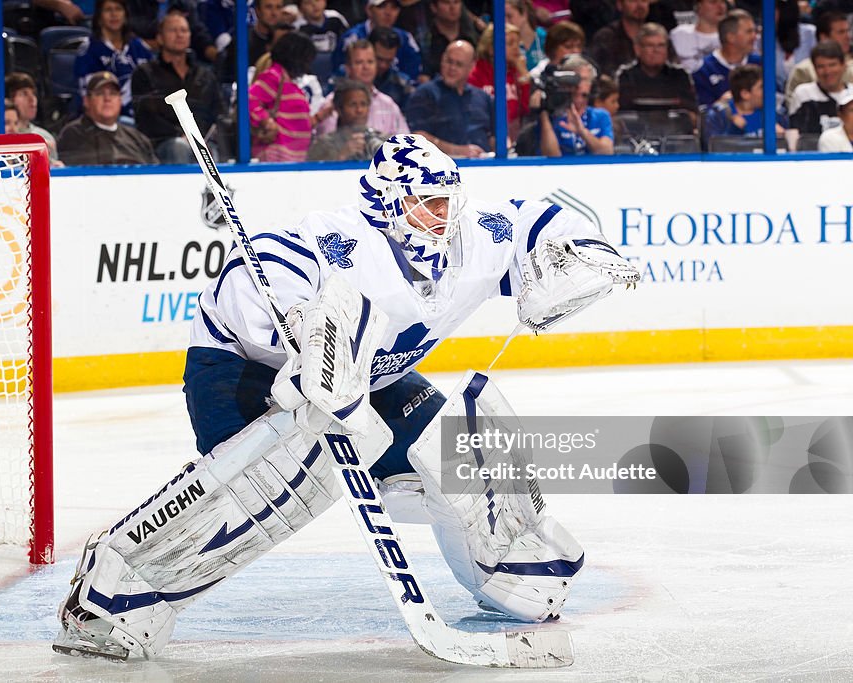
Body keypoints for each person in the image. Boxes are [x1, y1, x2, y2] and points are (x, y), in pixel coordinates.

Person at [52, 133, 639, 661]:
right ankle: (114, 593)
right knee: (272, 490)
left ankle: (503, 567)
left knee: (460, 447)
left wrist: (584, 250)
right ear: (390, 204)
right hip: (244, 375)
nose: (447, 217)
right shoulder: (341, 243)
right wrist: (304, 326)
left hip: (374, 382)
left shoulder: (472, 240)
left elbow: (543, 217)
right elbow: (248, 275)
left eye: (449, 200)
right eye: (430, 204)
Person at [131, 11, 223, 163]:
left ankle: (218, 187)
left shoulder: (205, 75)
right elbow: (147, 118)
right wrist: (183, 135)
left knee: (214, 149)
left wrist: (199, 137)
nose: (179, 35)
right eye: (173, 30)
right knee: (179, 146)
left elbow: (218, 112)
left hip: (203, 141)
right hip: (164, 143)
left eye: (184, 30)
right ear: (160, 38)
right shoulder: (145, 73)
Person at [405, 40, 494, 157]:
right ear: (442, 59)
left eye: (459, 64)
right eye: (449, 61)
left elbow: (495, 136)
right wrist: (457, 151)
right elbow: (417, 137)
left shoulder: (483, 98)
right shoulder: (425, 94)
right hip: (441, 166)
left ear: (471, 67)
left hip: (485, 165)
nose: (452, 68)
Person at [312, 39, 409, 137]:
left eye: (370, 62)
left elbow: (405, 143)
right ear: (348, 68)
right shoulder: (332, 104)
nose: (366, 67)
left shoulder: (388, 104)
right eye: (359, 62)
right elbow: (326, 146)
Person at [58, 71, 159, 165]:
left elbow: (157, 174)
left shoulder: (137, 138)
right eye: (100, 93)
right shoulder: (73, 134)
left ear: (120, 100)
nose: (107, 99)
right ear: (86, 101)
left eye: (113, 94)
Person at [74, 0, 154, 118]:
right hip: (106, 115)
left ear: (126, 15)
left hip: (143, 116)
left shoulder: (140, 47)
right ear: (99, 17)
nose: (114, 14)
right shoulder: (89, 49)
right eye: (108, 10)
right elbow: (89, 92)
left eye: (118, 9)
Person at [249, 32, 317, 162]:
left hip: (295, 157)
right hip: (274, 156)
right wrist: (267, 123)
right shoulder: (273, 76)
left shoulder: (287, 81)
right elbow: (249, 101)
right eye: (307, 59)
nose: (308, 66)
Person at [468, 22, 532, 142]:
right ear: (491, 49)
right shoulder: (476, 74)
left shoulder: (517, 72)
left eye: (518, 44)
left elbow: (526, 109)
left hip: (516, 136)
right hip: (485, 136)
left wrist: (524, 76)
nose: (516, 48)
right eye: (510, 44)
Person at [539, 54, 614, 156]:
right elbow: (551, 157)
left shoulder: (601, 116)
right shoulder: (551, 118)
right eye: (573, 79)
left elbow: (607, 152)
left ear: (591, 84)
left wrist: (581, 131)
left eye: (583, 79)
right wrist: (544, 112)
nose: (578, 85)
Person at [616, 23, 698, 115]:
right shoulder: (626, 76)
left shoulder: (680, 75)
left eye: (661, 45)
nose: (656, 50)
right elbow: (622, 113)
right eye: (650, 45)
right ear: (637, 49)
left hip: (673, 128)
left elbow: (692, 113)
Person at [785, 11, 853, 113]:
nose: (848, 37)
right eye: (841, 32)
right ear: (824, 37)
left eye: (847, 31)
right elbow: (794, 108)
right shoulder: (803, 70)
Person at [337, 0, 422, 80]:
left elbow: (413, 75)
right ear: (369, 10)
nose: (388, 13)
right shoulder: (353, 38)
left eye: (394, 8)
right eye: (382, 6)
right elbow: (340, 73)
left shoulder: (406, 38)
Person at [692, 9, 760, 109]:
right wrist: (721, 105)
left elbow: (777, 100)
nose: (755, 37)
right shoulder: (704, 70)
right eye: (749, 32)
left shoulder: (761, 64)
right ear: (731, 37)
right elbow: (702, 113)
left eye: (755, 31)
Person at [308, 78, 389, 159]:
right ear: (339, 109)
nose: (359, 110)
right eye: (353, 105)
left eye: (363, 104)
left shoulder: (385, 141)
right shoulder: (323, 146)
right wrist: (341, 156)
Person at [789, 40, 853, 137]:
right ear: (814, 68)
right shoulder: (803, 93)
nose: (827, 72)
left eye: (832, 65)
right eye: (821, 66)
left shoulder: (851, 94)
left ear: (843, 65)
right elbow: (796, 135)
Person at [703, 64, 786, 139]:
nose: (768, 91)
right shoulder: (718, 115)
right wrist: (734, 130)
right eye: (762, 87)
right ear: (745, 94)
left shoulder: (775, 114)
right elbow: (712, 148)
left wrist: (782, 139)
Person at [590, 0, 665, 78]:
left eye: (643, 1)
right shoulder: (606, 37)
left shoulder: (658, 36)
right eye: (633, 1)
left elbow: (672, 65)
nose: (640, 5)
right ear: (620, 5)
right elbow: (602, 75)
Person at [5, 73, 60, 163]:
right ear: (8, 100)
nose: (32, 99)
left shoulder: (44, 136)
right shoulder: (1, 133)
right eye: (24, 94)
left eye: (34, 94)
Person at [420, 0, 480, 78]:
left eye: (456, 2)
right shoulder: (425, 40)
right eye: (446, 2)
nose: (452, 7)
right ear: (434, 7)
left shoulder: (473, 37)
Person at [670, 0, 728, 73]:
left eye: (723, 2)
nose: (721, 6)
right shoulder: (679, 34)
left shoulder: (732, 37)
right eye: (713, 2)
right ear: (699, 6)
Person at [369, 26, 416, 109]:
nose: (383, 65)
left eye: (389, 61)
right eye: (379, 59)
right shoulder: (347, 78)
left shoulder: (403, 84)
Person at [508, 0, 547, 71]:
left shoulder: (546, 38)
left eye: (509, 16)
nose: (505, 22)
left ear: (524, 14)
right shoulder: (506, 44)